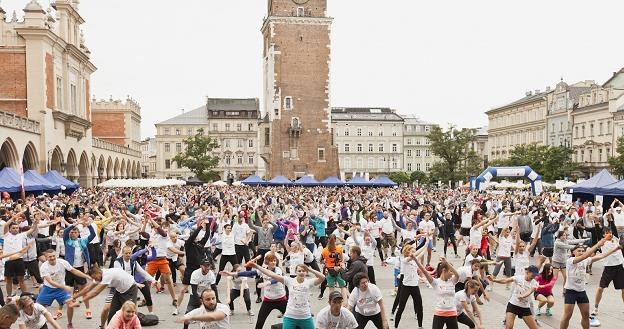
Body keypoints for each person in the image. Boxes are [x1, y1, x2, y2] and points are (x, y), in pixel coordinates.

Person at [559, 238, 621, 329]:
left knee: (585, 315)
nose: (581, 252)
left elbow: (602, 256)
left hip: (581, 292)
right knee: (567, 316)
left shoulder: (586, 260)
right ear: (573, 252)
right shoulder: (570, 261)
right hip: (570, 292)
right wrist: (598, 244)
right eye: (579, 251)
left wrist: (615, 249)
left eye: (583, 251)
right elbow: (584, 256)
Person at [250, 262, 325, 329]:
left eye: (303, 271)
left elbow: (322, 277)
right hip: (290, 316)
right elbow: (271, 274)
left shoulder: (309, 282)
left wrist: (309, 269)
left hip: (305, 316)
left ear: (306, 272)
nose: (301, 272)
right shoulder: (290, 281)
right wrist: (257, 266)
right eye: (299, 271)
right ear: (296, 272)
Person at [74, 265, 155, 324]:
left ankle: (144, 322)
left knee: (130, 313)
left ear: (98, 272)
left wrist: (81, 301)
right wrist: (74, 297)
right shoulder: (99, 275)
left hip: (130, 289)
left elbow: (95, 292)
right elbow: (88, 288)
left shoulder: (107, 275)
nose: (95, 280)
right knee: (112, 314)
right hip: (119, 290)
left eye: (94, 277)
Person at [36, 249, 91, 327]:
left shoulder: (62, 262)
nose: (52, 258)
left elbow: (74, 270)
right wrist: (65, 287)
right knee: (37, 307)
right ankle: (39, 324)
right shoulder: (44, 266)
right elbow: (51, 282)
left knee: (70, 304)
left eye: (53, 256)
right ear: (46, 257)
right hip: (48, 289)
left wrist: (86, 276)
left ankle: (69, 324)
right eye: (50, 256)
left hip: (61, 290)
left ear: (56, 255)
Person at [415, 256, 459, 329]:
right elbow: (425, 271)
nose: (452, 274)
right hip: (440, 313)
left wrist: (446, 262)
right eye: (450, 271)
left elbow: (457, 274)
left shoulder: (452, 281)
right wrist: (415, 259)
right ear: (444, 270)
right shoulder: (436, 282)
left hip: (452, 313)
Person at [591, 227, 624, 317]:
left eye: (610, 232)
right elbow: (597, 231)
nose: (610, 234)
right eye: (607, 232)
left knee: (623, 289)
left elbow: (613, 227)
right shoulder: (602, 242)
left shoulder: (616, 239)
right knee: (601, 288)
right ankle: (596, 308)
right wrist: (597, 223)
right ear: (603, 234)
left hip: (619, 267)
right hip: (608, 268)